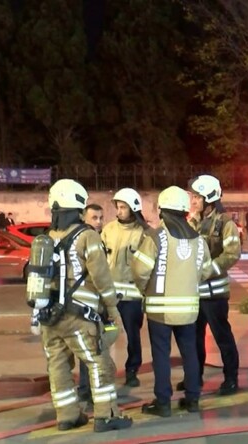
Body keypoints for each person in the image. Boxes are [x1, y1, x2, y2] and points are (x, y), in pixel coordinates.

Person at [37, 179, 132, 432]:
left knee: (58, 365)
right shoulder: (87, 235)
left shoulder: (46, 238)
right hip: (78, 317)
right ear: (78, 206)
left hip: (49, 318)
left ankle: (67, 416)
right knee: (99, 362)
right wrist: (112, 309)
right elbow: (101, 277)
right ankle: (106, 416)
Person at [133, 186, 213, 417]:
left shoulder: (155, 236)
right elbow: (205, 271)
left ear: (161, 210)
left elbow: (140, 271)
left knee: (161, 355)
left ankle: (163, 402)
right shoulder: (199, 240)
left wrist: (144, 290)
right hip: (189, 310)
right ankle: (193, 400)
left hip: (160, 310)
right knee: (190, 353)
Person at [182, 174, 241, 396]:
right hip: (194, 293)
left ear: (209, 198)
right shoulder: (190, 221)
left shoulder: (225, 223)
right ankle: (194, 377)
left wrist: (207, 271)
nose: (193, 201)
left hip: (215, 294)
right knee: (194, 338)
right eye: (191, 196)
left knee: (222, 337)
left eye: (196, 197)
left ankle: (231, 378)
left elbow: (232, 254)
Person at [101, 188, 148, 388]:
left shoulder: (143, 233)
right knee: (107, 332)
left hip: (132, 298)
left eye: (123, 207)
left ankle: (132, 370)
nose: (118, 211)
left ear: (134, 209)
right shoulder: (108, 230)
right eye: (117, 207)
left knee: (133, 336)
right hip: (110, 297)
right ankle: (104, 369)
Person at [76, 203, 106, 403]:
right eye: (94, 217)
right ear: (83, 217)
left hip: (83, 303)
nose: (99, 222)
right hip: (87, 303)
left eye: (101, 217)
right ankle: (91, 390)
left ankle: (86, 388)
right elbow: (100, 275)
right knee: (92, 349)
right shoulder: (88, 239)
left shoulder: (85, 237)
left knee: (88, 349)